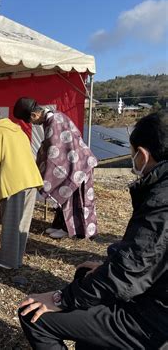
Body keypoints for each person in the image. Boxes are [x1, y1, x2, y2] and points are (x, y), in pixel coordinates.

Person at [18, 111, 168, 350]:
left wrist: (61, 298)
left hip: (152, 319)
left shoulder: (161, 201)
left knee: (32, 316)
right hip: (156, 293)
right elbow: (150, 256)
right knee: (85, 275)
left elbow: (129, 271)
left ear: (142, 155)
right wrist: (107, 266)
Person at [13, 97, 98, 239]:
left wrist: (42, 170)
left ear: (34, 115)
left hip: (78, 165)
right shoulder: (54, 117)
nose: (33, 124)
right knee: (66, 196)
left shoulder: (54, 121)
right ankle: (60, 225)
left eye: (31, 121)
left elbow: (54, 153)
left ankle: (70, 229)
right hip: (76, 162)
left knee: (73, 197)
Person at [0, 106, 43, 269]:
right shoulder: (17, 129)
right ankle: (16, 257)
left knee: (11, 223)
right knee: (23, 224)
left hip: (13, 183)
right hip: (30, 179)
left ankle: (7, 260)